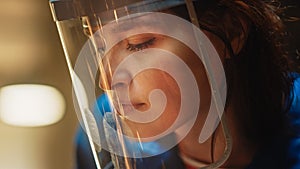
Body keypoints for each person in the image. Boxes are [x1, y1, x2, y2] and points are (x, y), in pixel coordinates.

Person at [60, 0, 300, 168]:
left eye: (139, 43)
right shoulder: (106, 130)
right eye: (100, 47)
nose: (107, 81)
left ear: (232, 30)